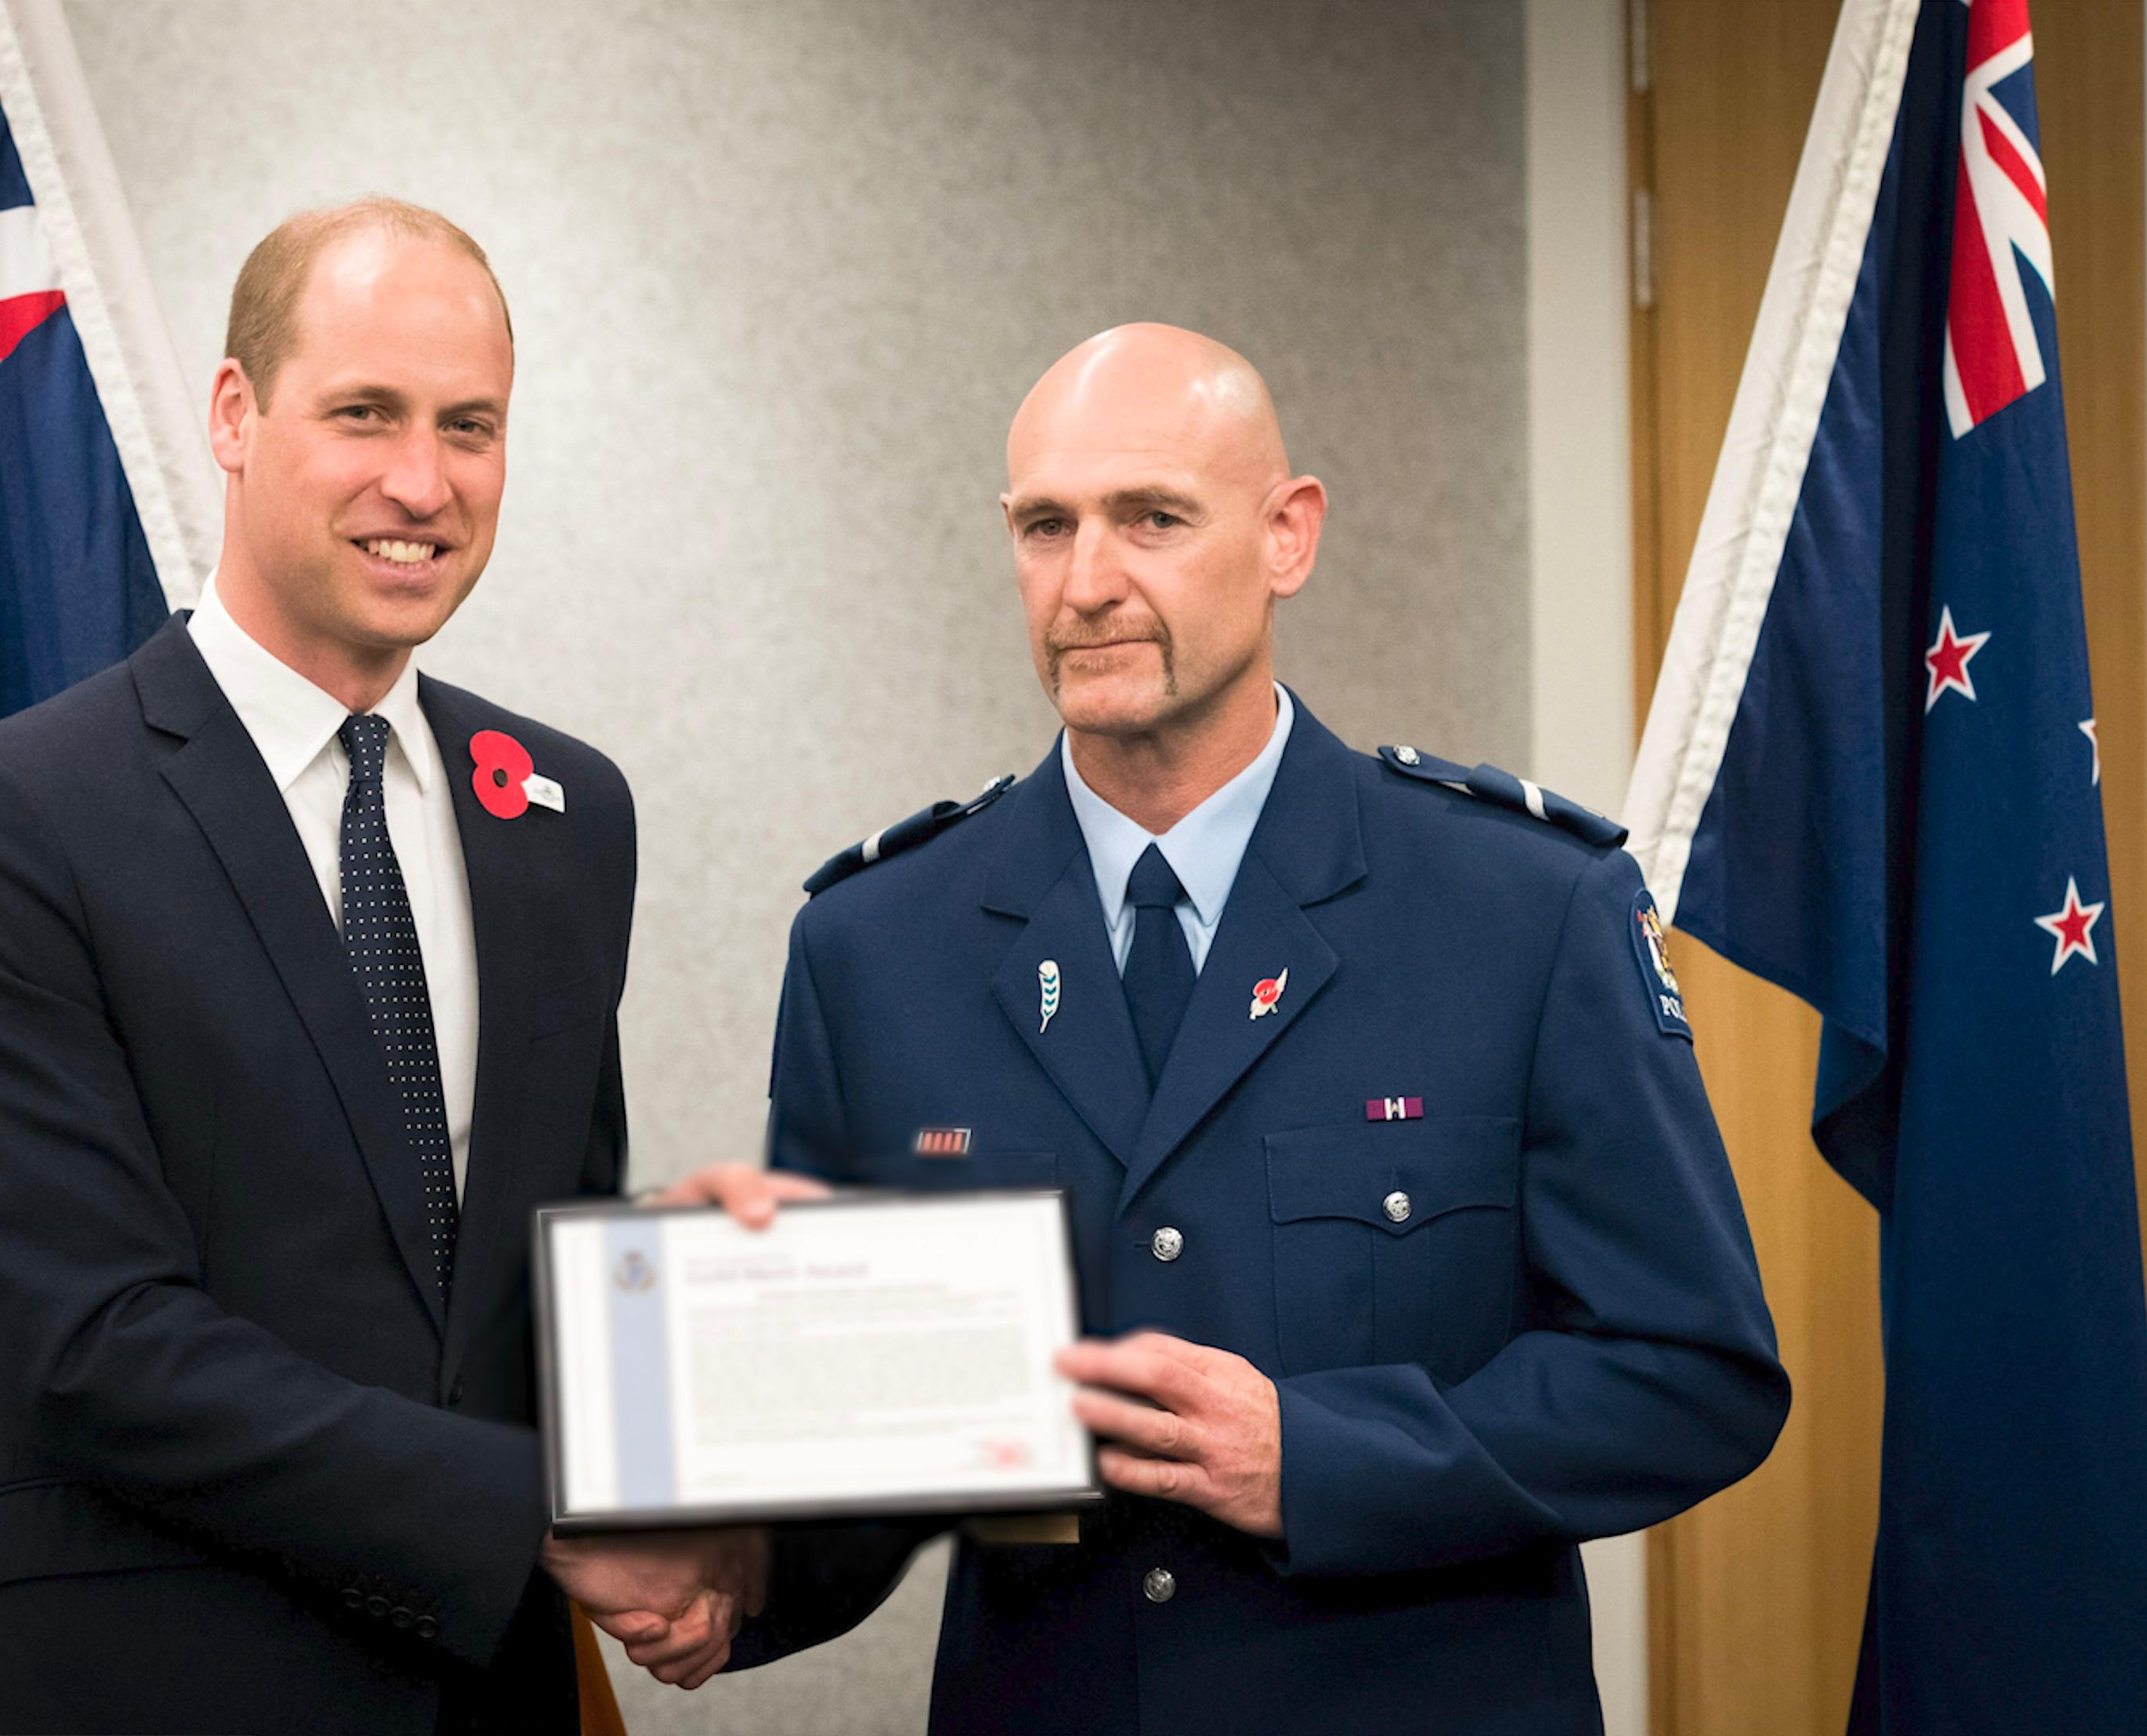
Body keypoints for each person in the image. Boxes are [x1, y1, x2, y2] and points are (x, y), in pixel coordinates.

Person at [670, 324, 1790, 1733]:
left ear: (1286, 536)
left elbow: (1688, 1374)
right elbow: (852, 1423)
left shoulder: (1518, 910)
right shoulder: (877, 943)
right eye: (1044, 526)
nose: (1087, 583)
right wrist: (730, 1573)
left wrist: (1315, 1456)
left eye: (1151, 519)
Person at [0, 198, 757, 1735]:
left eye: (469, 425)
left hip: (487, 1691)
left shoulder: (563, 812)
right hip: (145, 1691)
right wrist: (546, 1508)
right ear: (235, 412)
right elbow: (87, 1340)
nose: (422, 482)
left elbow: (552, 1267)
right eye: (365, 413)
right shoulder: (13, 816)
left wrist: (715, 1486)